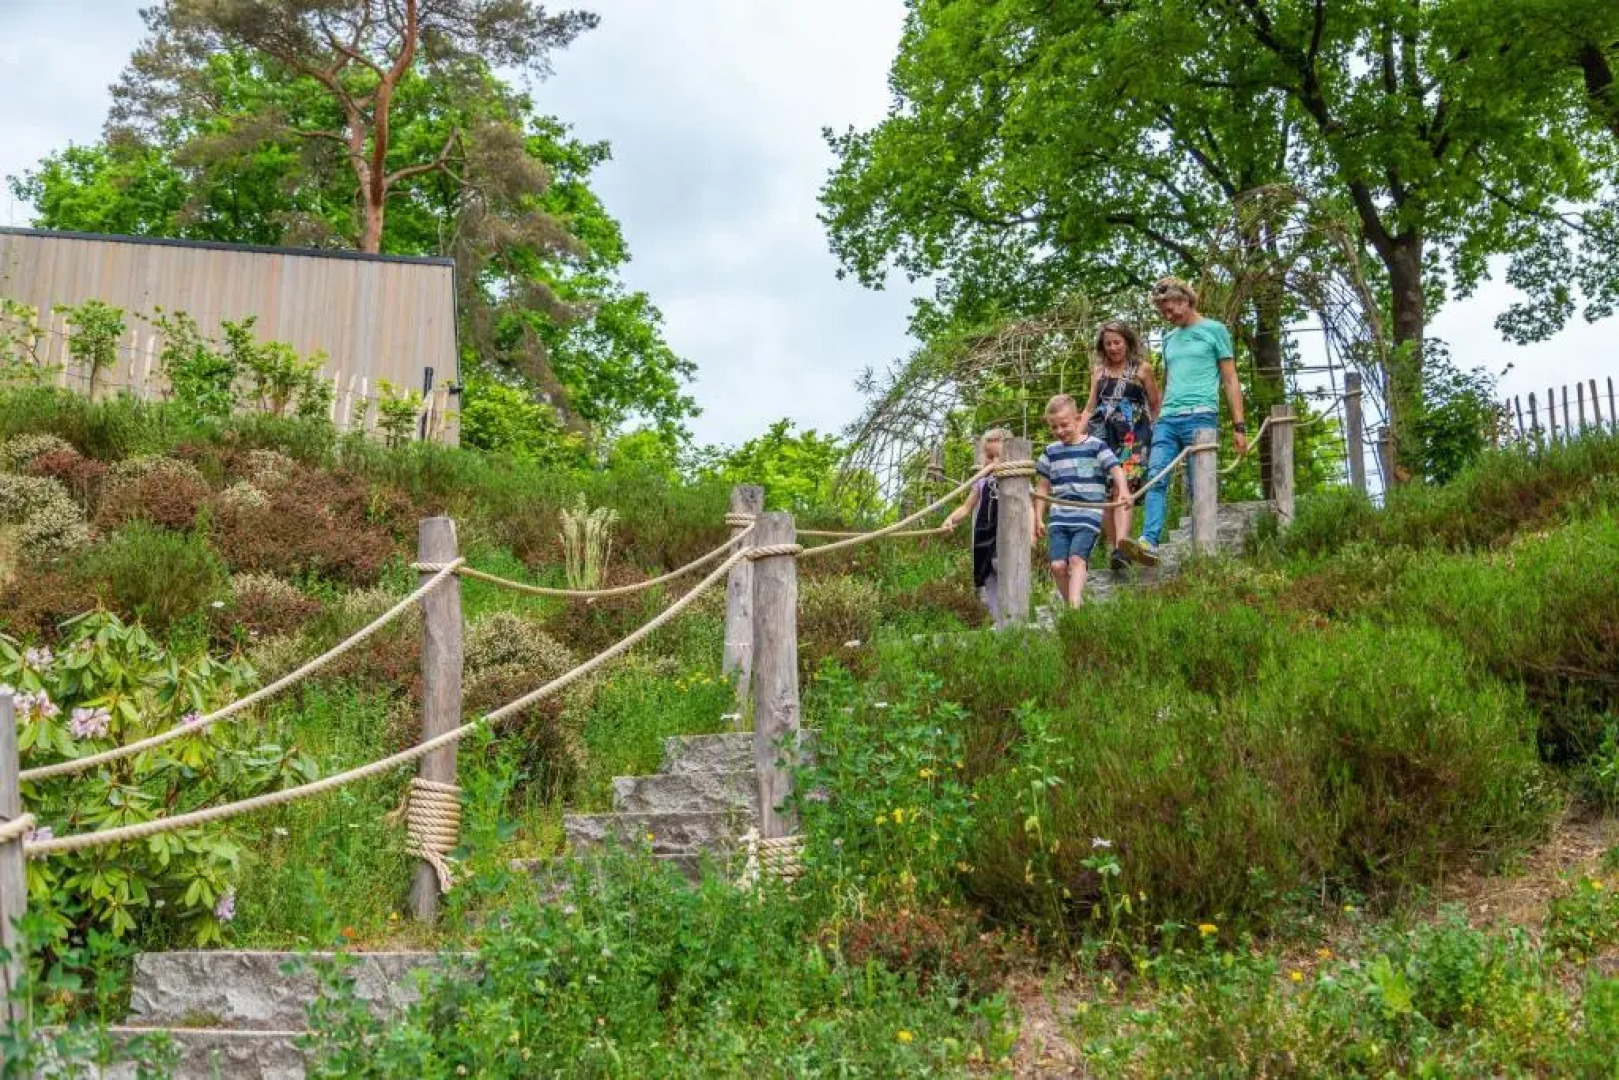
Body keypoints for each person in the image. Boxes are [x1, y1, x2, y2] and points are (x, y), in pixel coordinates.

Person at [1117, 278, 1247, 567]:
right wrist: (1157, 416)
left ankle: (1202, 543)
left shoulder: (1215, 330)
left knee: (1199, 480)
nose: (1168, 315)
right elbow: (1168, 379)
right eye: (1163, 310)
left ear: (1186, 301)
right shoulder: (1168, 338)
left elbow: (1230, 379)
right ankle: (1148, 541)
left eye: (1171, 308)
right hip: (1168, 418)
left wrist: (1240, 426)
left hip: (1201, 415)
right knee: (1155, 476)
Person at [1033, 394, 1129, 608]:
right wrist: (1038, 517)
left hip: (1088, 514)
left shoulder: (1096, 446)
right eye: (1054, 427)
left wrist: (1122, 490)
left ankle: (1075, 608)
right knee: (1058, 566)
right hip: (1060, 516)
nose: (1059, 431)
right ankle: (1073, 609)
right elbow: (1042, 486)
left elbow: (1115, 468)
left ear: (1077, 419)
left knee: (1076, 560)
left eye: (1064, 425)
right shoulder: (1050, 452)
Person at [1081, 320, 1161, 568]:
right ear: (1102, 347)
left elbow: (1156, 404)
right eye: (1108, 344)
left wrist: (1157, 436)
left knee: (1122, 487)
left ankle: (1121, 547)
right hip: (1103, 437)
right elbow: (1090, 408)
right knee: (1105, 494)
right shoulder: (1099, 372)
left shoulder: (1143, 370)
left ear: (1127, 342)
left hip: (1135, 435)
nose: (1113, 348)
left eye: (1117, 342)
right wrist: (1075, 438)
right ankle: (1116, 552)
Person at [943, 427, 1011, 622]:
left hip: (1006, 539)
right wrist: (950, 519)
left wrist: (1032, 532)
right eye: (988, 457)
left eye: (997, 457)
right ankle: (1000, 625)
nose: (992, 462)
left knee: (1005, 574)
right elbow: (966, 507)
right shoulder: (981, 482)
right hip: (984, 536)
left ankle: (1013, 626)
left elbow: (1029, 507)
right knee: (988, 576)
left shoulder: (1017, 477)